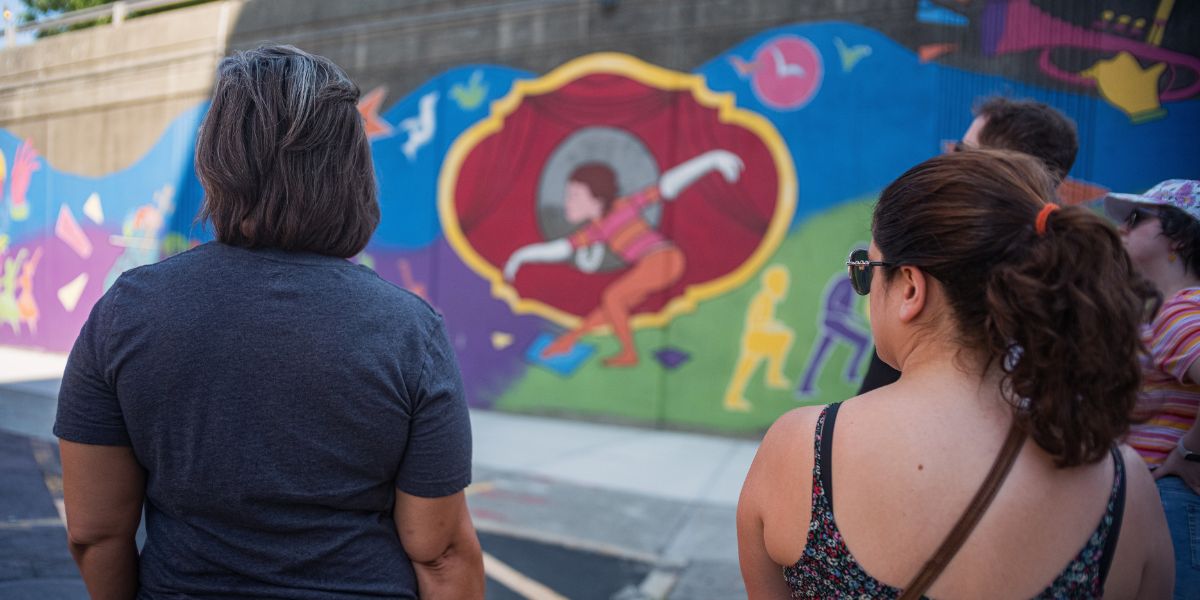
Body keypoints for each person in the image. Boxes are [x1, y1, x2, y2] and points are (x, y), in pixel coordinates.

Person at [54, 45, 484, 599]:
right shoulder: (408, 331)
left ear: (215, 163)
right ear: (350, 171)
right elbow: (441, 552)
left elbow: (93, 533)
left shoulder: (126, 313)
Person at [738, 150, 1173, 598]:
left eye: (865, 270)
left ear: (910, 287)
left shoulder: (799, 451)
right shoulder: (1124, 486)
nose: (865, 291)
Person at [857, 97, 1078, 394]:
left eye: (963, 151)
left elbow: (874, 402)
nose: (950, 159)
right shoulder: (1076, 274)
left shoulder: (939, 250)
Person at [503, 149, 743, 367]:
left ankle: (628, 353)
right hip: (652, 264)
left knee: (613, 297)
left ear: (596, 198)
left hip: (662, 258)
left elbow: (667, 186)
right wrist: (521, 256)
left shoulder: (623, 207)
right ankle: (569, 340)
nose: (568, 202)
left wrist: (712, 160)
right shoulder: (595, 230)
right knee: (612, 306)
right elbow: (561, 249)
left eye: (574, 195)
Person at [1106, 179, 1200, 598]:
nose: (1123, 228)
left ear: (1178, 236)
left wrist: (1188, 453)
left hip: (1175, 498)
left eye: (1137, 218)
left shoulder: (1181, 310)